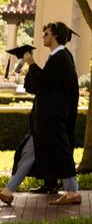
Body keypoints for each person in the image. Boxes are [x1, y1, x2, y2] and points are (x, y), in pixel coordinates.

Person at [1, 23, 81, 207]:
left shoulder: (61, 58)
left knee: (61, 151)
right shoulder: (57, 58)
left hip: (53, 120)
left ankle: (72, 191)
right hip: (45, 120)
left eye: (46, 33)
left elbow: (43, 84)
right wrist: (31, 68)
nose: (43, 36)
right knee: (29, 152)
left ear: (54, 36)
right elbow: (39, 86)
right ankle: (8, 191)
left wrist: (31, 63)